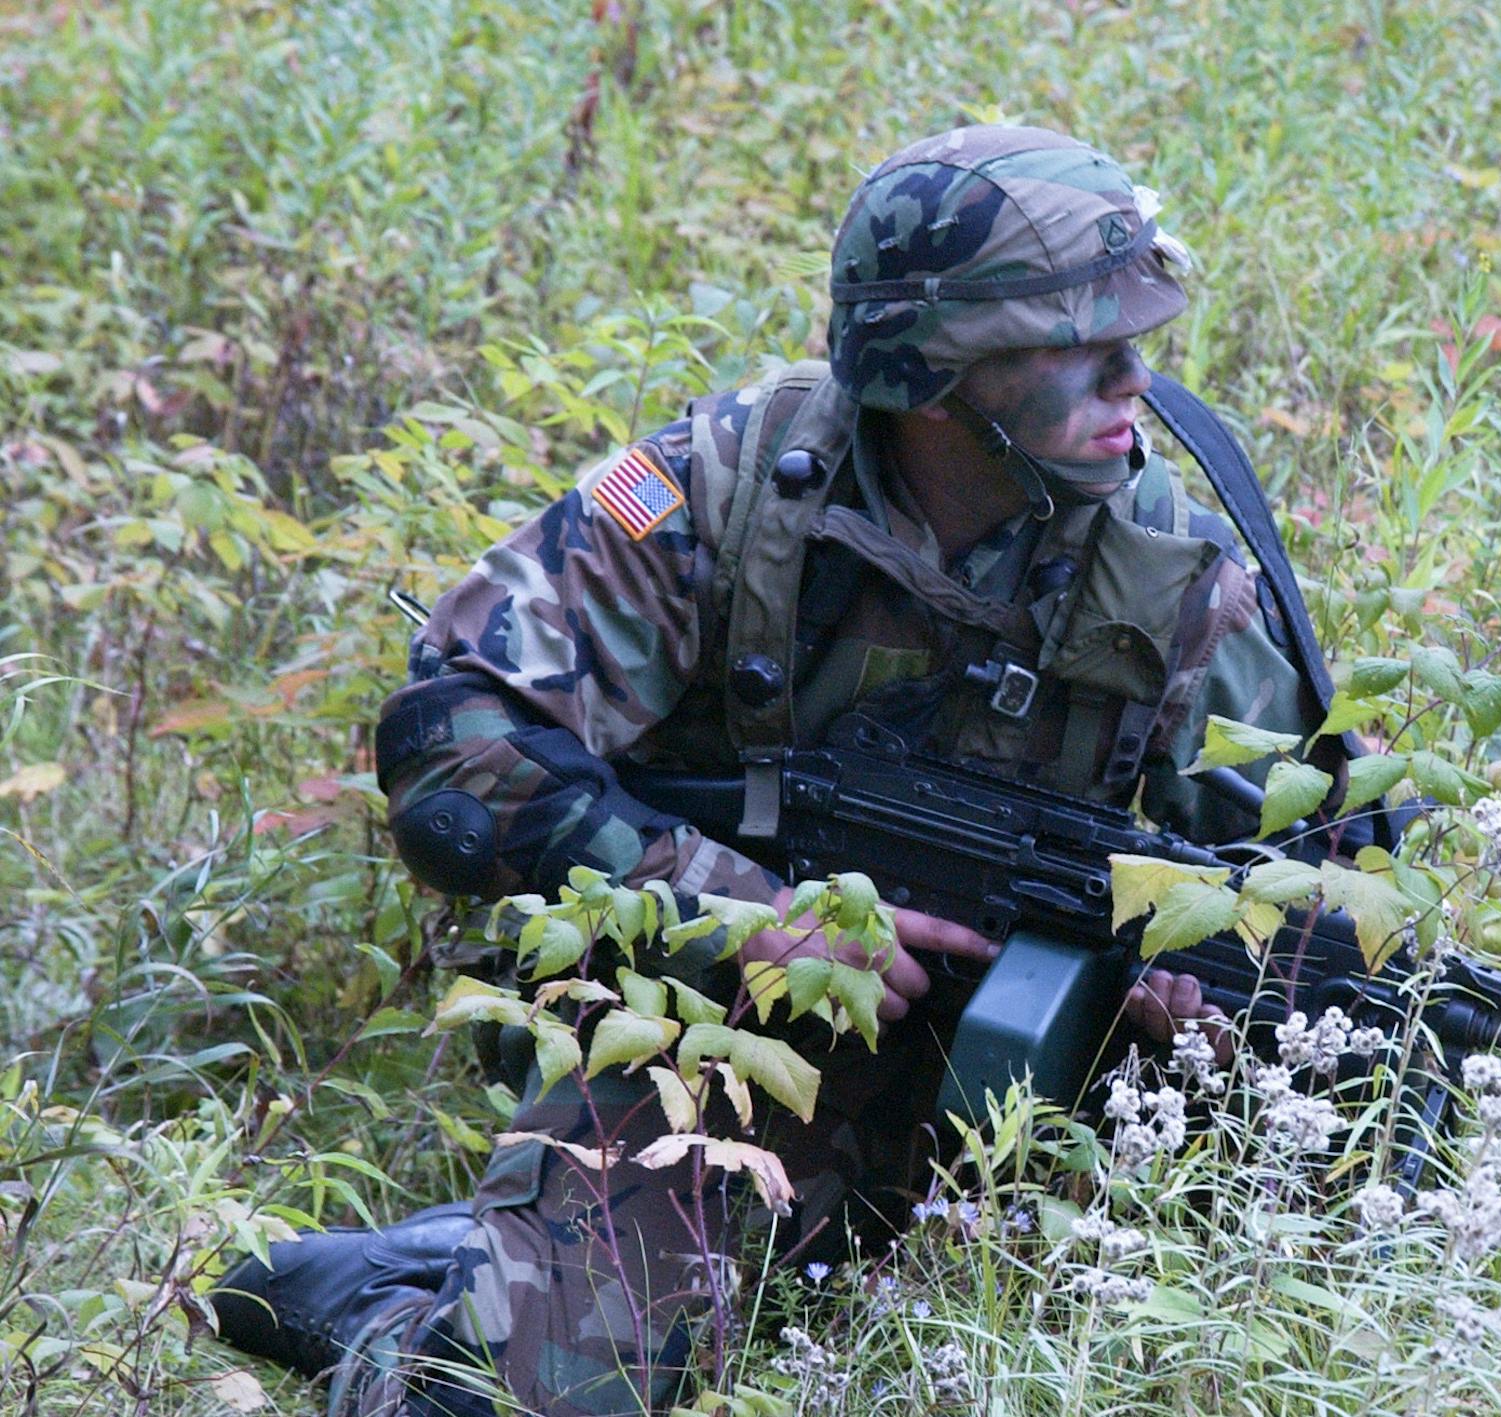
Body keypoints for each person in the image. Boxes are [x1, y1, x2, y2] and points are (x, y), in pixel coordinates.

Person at [213, 124, 1332, 1417]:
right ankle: (410, 1313)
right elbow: (449, 746)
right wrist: (736, 914)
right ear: (933, 373)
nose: (1137, 373)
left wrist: (1197, 998)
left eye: (1141, 332)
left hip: (1026, 1092)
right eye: (1082, 342)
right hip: (726, 1039)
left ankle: (483, 1260)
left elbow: (1310, 883)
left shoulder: (1181, 580)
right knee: (528, 1402)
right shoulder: (730, 490)